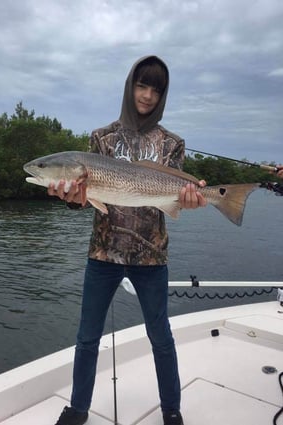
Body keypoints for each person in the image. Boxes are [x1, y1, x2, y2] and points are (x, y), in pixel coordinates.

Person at [50, 55, 207, 425]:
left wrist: (191, 199)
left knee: (161, 338)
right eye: (142, 85)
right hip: (103, 253)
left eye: (156, 88)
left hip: (151, 257)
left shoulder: (173, 144)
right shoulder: (100, 138)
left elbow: (172, 196)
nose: (148, 95)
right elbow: (88, 198)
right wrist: (73, 199)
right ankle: (78, 409)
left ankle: (171, 411)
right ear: (130, 85)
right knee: (87, 338)